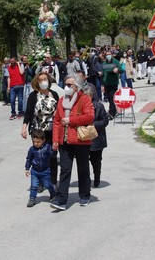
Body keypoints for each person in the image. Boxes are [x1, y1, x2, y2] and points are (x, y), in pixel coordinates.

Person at [50, 75, 95, 211]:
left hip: (81, 140)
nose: (67, 87)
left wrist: (71, 120)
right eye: (66, 84)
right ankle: (61, 199)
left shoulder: (85, 99)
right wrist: (55, 140)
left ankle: (85, 195)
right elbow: (57, 121)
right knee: (65, 170)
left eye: (70, 85)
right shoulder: (62, 101)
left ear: (77, 87)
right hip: (65, 142)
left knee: (83, 170)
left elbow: (90, 116)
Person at [21, 72, 59, 187]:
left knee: (52, 156)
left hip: (52, 130)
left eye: (45, 79)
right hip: (38, 131)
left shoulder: (54, 94)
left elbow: (59, 111)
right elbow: (28, 112)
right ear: (37, 82)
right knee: (39, 156)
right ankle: (41, 182)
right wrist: (24, 127)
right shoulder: (33, 95)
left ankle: (52, 181)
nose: (43, 81)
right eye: (41, 79)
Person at [83, 86, 108, 188]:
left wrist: (93, 124)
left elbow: (105, 121)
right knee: (84, 162)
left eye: (87, 96)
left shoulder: (99, 106)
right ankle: (86, 180)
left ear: (91, 96)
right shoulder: (80, 107)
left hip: (96, 139)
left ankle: (97, 177)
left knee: (96, 160)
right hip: (83, 137)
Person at [24, 129, 57, 207]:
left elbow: (53, 155)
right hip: (35, 171)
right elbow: (28, 159)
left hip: (45, 171)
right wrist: (27, 168)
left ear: (43, 140)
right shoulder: (32, 150)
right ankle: (32, 199)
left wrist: (54, 149)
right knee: (34, 186)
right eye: (34, 141)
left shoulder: (47, 147)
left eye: (38, 142)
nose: (36, 144)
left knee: (48, 185)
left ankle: (53, 194)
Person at [102, 50, 122, 119]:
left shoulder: (116, 62)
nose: (108, 56)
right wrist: (102, 85)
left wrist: (117, 69)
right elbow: (103, 74)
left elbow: (122, 70)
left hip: (113, 83)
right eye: (107, 54)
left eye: (109, 54)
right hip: (106, 83)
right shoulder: (104, 63)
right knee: (109, 98)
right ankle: (113, 110)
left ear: (112, 55)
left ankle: (112, 113)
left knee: (111, 97)